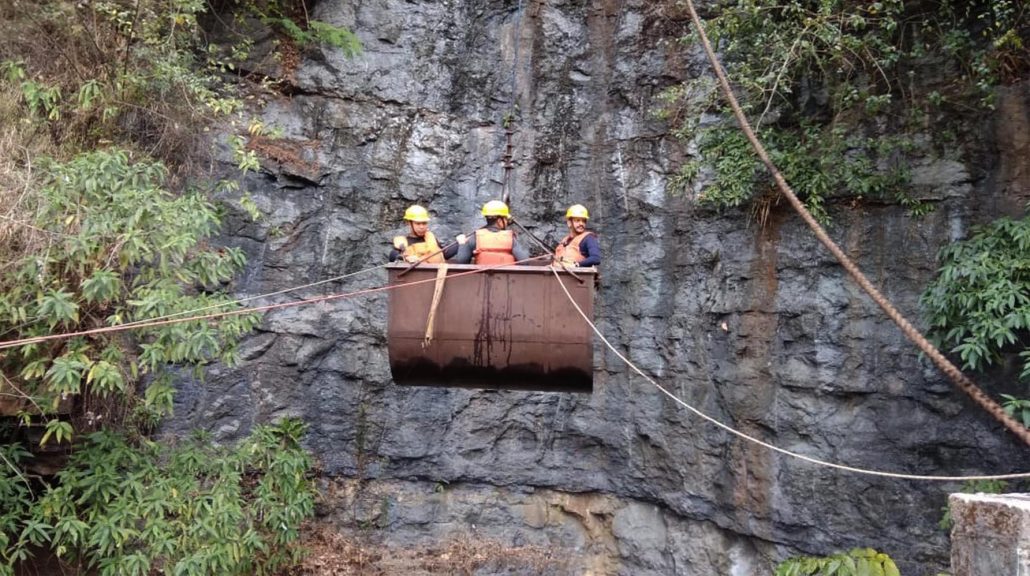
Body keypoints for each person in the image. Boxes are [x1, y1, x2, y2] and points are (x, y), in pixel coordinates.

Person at [453, 200, 530, 265]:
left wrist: (462, 244)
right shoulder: (510, 239)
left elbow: (462, 262)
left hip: (480, 280)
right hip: (506, 280)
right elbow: (525, 262)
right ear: (500, 221)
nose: (507, 222)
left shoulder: (475, 237)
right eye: (506, 219)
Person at [389, 204, 465, 263]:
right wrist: (404, 258)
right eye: (418, 224)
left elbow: (444, 254)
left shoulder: (431, 239)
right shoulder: (403, 243)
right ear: (409, 223)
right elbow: (393, 256)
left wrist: (458, 243)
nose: (422, 227)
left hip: (436, 278)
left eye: (424, 223)